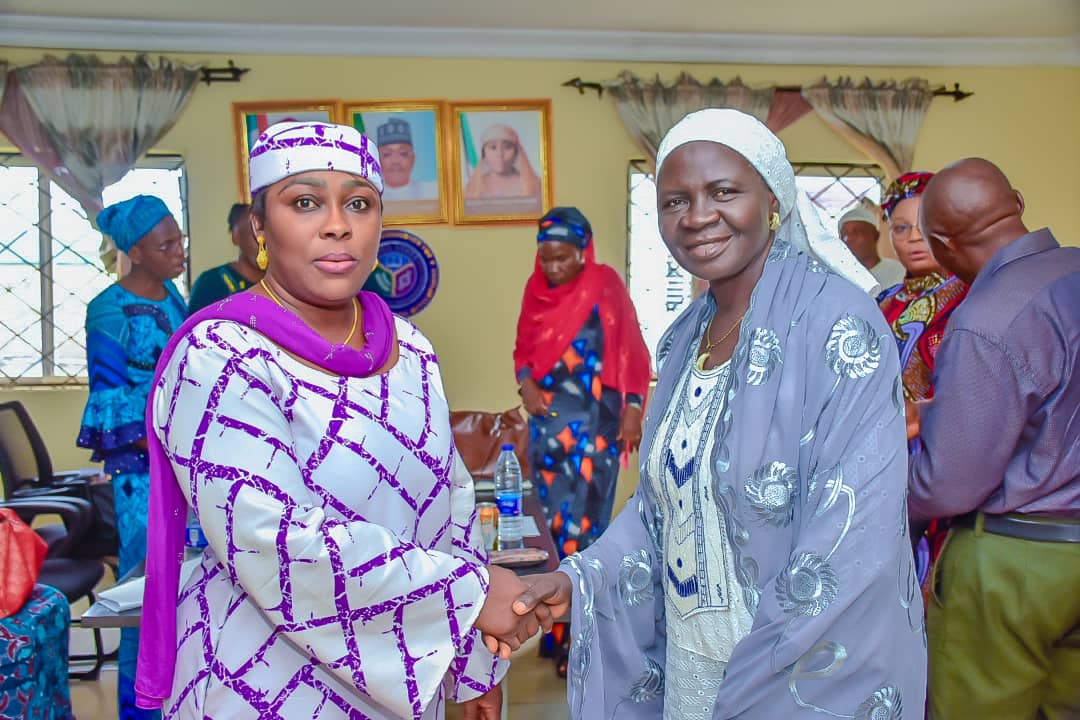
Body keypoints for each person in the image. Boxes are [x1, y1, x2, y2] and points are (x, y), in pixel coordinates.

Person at [504, 109, 925, 719]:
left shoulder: (838, 324)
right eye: (675, 200)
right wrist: (578, 579)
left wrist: (758, 682)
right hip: (692, 667)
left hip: (792, 676)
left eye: (724, 192)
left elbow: (853, 535)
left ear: (774, 199)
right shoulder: (683, 341)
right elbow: (662, 508)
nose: (698, 216)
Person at [135, 121, 545, 719]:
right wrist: (468, 596)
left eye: (358, 203)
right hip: (261, 681)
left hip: (408, 671)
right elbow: (276, 541)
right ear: (259, 227)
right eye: (305, 202)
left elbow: (451, 506)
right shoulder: (220, 355)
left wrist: (472, 663)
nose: (337, 224)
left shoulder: (408, 348)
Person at [907, 158, 1080, 719]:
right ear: (1019, 204)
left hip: (1016, 561)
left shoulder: (985, 316)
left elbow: (950, 484)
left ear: (942, 245)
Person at [514, 205, 652, 674]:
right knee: (552, 530)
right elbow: (523, 352)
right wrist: (526, 385)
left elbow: (632, 351)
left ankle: (580, 637)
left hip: (598, 427)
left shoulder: (605, 285)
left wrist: (633, 409)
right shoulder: (535, 290)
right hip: (550, 429)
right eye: (546, 258)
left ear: (583, 251)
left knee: (587, 530)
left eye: (563, 257)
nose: (553, 267)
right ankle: (555, 635)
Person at [77, 194, 188, 720]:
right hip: (141, 474)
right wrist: (168, 447)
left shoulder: (173, 298)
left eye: (180, 239)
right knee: (144, 598)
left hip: (179, 465)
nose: (179, 251)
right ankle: (138, 709)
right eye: (166, 245)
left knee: (184, 592)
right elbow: (109, 400)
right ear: (136, 253)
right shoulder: (108, 309)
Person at [876, 171, 969, 600]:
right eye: (900, 228)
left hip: (942, 459)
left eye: (923, 227)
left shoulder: (969, 297)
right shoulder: (881, 302)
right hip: (880, 459)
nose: (913, 238)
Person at [186, 203, 264, 312]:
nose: (263, 242)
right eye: (255, 234)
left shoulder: (281, 284)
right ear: (236, 236)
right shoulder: (210, 284)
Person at [464, 123, 542, 201]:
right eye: (493, 147)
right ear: (484, 153)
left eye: (507, 147)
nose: (500, 154)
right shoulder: (473, 188)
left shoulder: (533, 185)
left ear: (516, 152)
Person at [838, 203, 905, 289]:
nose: (848, 239)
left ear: (875, 236)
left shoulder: (898, 272)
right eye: (844, 234)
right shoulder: (841, 276)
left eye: (857, 232)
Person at [377, 116, 439, 202]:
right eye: (387, 154)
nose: (395, 161)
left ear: (413, 159)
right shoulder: (370, 195)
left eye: (403, 153)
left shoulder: (433, 191)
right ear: (378, 161)